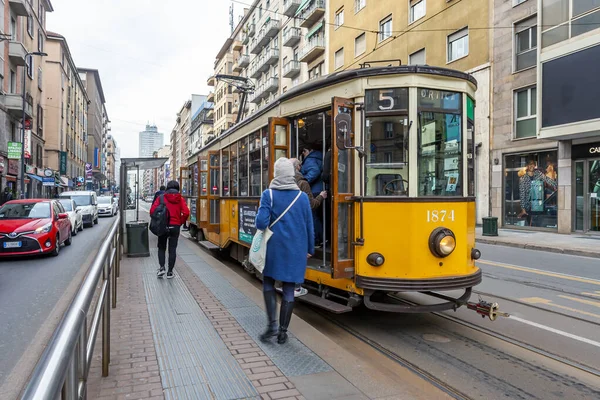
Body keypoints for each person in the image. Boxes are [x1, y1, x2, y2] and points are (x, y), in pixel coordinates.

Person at [256, 158, 314, 344]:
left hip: (274, 248)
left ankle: (271, 325)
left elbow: (261, 223)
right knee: (289, 288)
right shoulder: (302, 197)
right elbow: (309, 226)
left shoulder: (268, 195)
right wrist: (310, 248)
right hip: (296, 249)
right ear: (291, 174)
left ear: (276, 174)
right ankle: (283, 332)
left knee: (268, 283)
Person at [150, 180, 190, 279]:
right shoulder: (180, 199)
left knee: (161, 247)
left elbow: (152, 211)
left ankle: (162, 268)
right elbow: (186, 212)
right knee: (172, 249)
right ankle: (170, 272)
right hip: (175, 226)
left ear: (167, 188)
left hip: (163, 226)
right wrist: (180, 222)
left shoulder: (161, 197)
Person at [300, 146, 324, 247]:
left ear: (307, 151)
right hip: (319, 189)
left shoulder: (310, 159)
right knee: (316, 216)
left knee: (313, 216)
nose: (303, 156)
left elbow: (315, 171)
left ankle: (316, 240)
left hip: (313, 190)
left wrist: (304, 181)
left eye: (303, 153)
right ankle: (320, 238)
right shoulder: (318, 158)